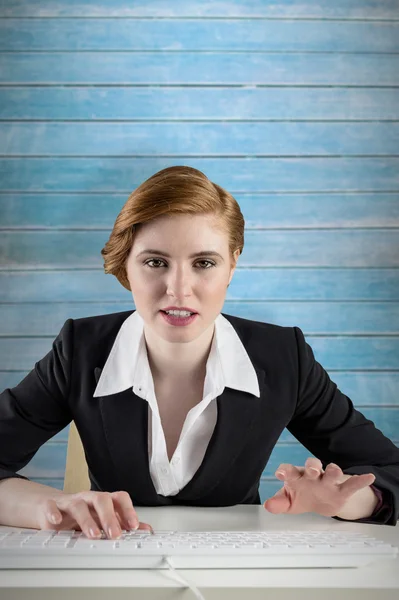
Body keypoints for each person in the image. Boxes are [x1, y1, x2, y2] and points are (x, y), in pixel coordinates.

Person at [0, 166, 398, 540]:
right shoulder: (80, 349)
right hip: (111, 564)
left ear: (231, 266)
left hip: (235, 573)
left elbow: (390, 470)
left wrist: (349, 500)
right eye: (155, 262)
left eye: (204, 262)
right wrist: (51, 506)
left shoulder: (283, 357)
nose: (178, 289)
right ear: (126, 266)